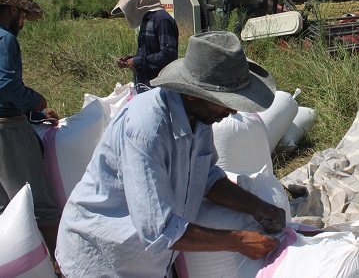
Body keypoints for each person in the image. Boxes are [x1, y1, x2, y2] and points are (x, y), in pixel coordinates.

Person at [56, 31, 287, 277]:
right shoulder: (146, 130)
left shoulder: (200, 118)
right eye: (223, 101)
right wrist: (239, 240)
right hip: (103, 258)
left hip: (147, 260)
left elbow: (206, 178)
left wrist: (257, 206)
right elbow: (158, 231)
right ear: (191, 92)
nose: (231, 110)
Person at [0, 0, 62, 264]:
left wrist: (35, 116)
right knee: (40, 203)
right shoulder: (5, 39)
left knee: (6, 208)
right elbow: (6, 86)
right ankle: (63, 264)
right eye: (23, 15)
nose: (23, 22)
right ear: (13, 10)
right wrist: (36, 101)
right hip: (8, 130)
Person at [112, 0, 178, 93]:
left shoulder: (161, 19)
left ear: (137, 3)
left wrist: (137, 62)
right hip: (146, 86)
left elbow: (168, 55)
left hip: (159, 88)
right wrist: (129, 60)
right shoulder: (146, 21)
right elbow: (150, 53)